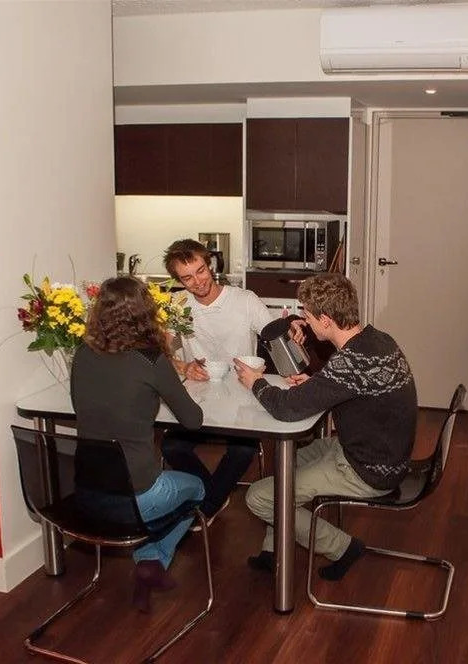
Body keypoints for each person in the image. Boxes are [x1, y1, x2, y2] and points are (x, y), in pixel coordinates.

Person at [234, 273, 418, 581]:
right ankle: (273, 549)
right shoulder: (376, 340)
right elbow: (353, 385)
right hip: (375, 452)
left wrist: (256, 383)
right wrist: (317, 384)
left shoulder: (351, 361)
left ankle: (343, 548)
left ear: (326, 320)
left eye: (307, 315)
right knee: (285, 462)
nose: (305, 322)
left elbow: (286, 408)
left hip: (368, 469)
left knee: (258, 497)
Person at [71, 276, 204, 612]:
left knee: (153, 483)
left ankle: (148, 559)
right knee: (199, 489)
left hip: (86, 493)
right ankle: (153, 559)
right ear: (146, 312)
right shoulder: (151, 359)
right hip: (140, 497)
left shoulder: (82, 354)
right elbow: (193, 420)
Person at [159, 239, 305, 527]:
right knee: (171, 447)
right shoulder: (177, 305)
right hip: (199, 398)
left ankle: (206, 505)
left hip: (242, 395)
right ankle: (213, 496)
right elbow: (161, 353)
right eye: (187, 278)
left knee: (242, 450)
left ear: (209, 264)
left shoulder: (244, 300)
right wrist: (184, 366)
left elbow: (273, 333)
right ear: (178, 280)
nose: (198, 281)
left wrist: (291, 329)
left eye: (201, 271)